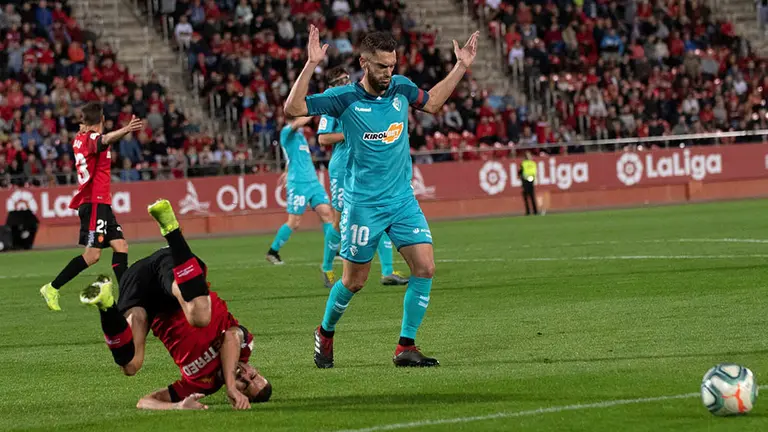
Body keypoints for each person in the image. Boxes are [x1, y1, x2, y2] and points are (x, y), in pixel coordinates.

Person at [284, 27, 479, 368]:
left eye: (391, 65)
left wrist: (460, 66)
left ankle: (406, 346)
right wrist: (311, 64)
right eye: (381, 66)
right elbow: (293, 107)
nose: (388, 72)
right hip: (363, 205)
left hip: (402, 200)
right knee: (354, 281)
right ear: (364, 63)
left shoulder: (401, 87)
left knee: (425, 267)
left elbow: (433, 102)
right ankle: (325, 332)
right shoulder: (343, 97)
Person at [80, 199, 271, 410]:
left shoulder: (201, 385)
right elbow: (231, 337)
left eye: (245, 385)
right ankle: (171, 230)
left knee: (131, 365)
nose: (246, 375)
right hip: (176, 269)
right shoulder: (244, 348)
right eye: (253, 375)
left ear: (239, 396)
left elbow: (144, 402)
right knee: (200, 316)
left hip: (145, 297)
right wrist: (232, 386)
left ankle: (106, 305)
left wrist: (178, 406)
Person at [40, 102, 144, 311]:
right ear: (102, 119)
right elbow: (104, 140)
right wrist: (126, 129)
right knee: (92, 255)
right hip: (94, 202)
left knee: (121, 246)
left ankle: (128, 297)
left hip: (101, 202)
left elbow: (98, 139)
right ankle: (52, 288)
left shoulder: (80, 138)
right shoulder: (92, 139)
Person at [316, 66, 409, 288]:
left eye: (347, 78)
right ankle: (327, 267)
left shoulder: (359, 100)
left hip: (362, 166)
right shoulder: (332, 106)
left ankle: (387, 271)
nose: (346, 82)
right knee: (339, 221)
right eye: (341, 80)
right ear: (331, 86)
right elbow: (323, 139)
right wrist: (349, 133)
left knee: (380, 214)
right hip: (342, 168)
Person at [265, 116, 335, 266]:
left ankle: (333, 251)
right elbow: (297, 123)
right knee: (294, 222)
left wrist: (286, 171)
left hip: (313, 182)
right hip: (298, 183)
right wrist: (313, 111)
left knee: (327, 214)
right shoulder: (286, 132)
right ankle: (273, 251)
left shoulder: (301, 135)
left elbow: (291, 158)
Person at [519, 151, 538, 215]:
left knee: (531, 196)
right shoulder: (524, 163)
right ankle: (529, 211)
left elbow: (534, 172)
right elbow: (521, 172)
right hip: (525, 180)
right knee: (527, 197)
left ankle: (534, 211)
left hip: (530, 180)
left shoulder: (531, 163)